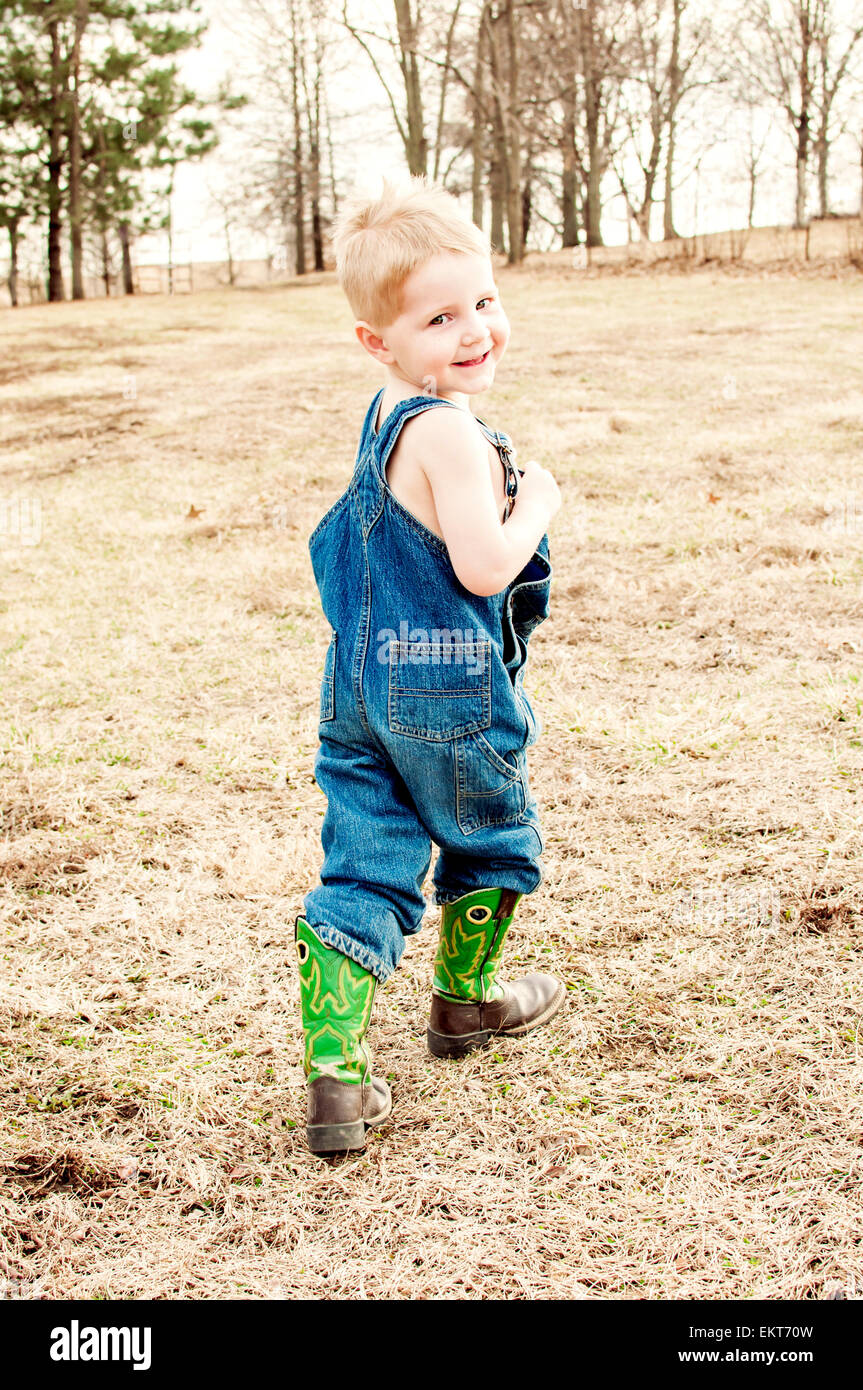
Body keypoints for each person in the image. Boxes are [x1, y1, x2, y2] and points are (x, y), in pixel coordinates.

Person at [295, 176, 564, 1155]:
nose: (472, 331)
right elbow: (481, 563)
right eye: (439, 317)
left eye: (483, 302)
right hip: (441, 679)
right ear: (379, 341)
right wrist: (533, 499)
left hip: (357, 687)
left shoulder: (386, 415)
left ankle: (334, 1073)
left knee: (366, 863)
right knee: (488, 840)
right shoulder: (448, 431)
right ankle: (464, 1001)